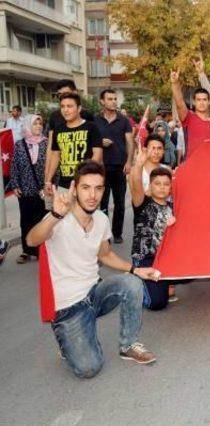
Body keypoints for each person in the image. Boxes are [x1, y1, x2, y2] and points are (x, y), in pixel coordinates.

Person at [26, 161, 159, 378]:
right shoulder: (60, 218)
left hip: (94, 294)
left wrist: (135, 270)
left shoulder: (101, 219)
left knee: (131, 283)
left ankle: (128, 345)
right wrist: (55, 215)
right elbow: (32, 240)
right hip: (68, 306)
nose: (92, 195)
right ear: (75, 189)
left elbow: (105, 254)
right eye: (86, 187)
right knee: (89, 368)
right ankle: (66, 340)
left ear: (103, 190)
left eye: (98, 188)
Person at [130, 140, 176, 310]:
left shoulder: (172, 207)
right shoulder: (143, 203)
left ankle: (165, 282)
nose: (162, 188)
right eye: (157, 184)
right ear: (150, 185)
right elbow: (135, 187)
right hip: (146, 258)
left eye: (166, 184)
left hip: (164, 257)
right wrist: (138, 165)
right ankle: (134, 283)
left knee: (190, 274)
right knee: (157, 303)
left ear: (171, 187)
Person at [44, 93, 103, 196]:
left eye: (69, 106)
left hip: (86, 184)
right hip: (64, 184)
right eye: (62, 106)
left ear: (79, 108)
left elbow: (97, 154)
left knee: (86, 212)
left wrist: (84, 176)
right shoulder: (58, 129)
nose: (65, 110)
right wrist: (48, 180)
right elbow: (55, 156)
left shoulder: (92, 127)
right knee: (65, 212)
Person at [96, 89, 134, 245]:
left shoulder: (123, 120)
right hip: (101, 167)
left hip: (119, 167)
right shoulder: (95, 120)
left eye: (114, 99)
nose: (113, 101)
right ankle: (104, 235)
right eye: (109, 99)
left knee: (119, 203)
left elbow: (130, 143)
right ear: (102, 101)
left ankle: (117, 233)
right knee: (102, 203)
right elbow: (90, 141)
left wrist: (129, 162)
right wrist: (100, 142)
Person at [8, 114, 47, 263]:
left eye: (40, 124)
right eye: (35, 124)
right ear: (28, 126)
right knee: (26, 220)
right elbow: (14, 166)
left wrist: (51, 185)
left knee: (42, 220)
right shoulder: (19, 144)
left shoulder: (46, 143)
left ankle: (41, 250)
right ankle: (26, 250)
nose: (38, 126)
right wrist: (15, 185)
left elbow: (53, 166)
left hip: (42, 190)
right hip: (25, 189)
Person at [171, 70, 210, 159]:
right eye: (199, 100)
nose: (202, 102)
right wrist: (175, 83)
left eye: (204, 100)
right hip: (192, 164)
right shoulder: (188, 117)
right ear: (194, 102)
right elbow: (179, 102)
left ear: (209, 102)